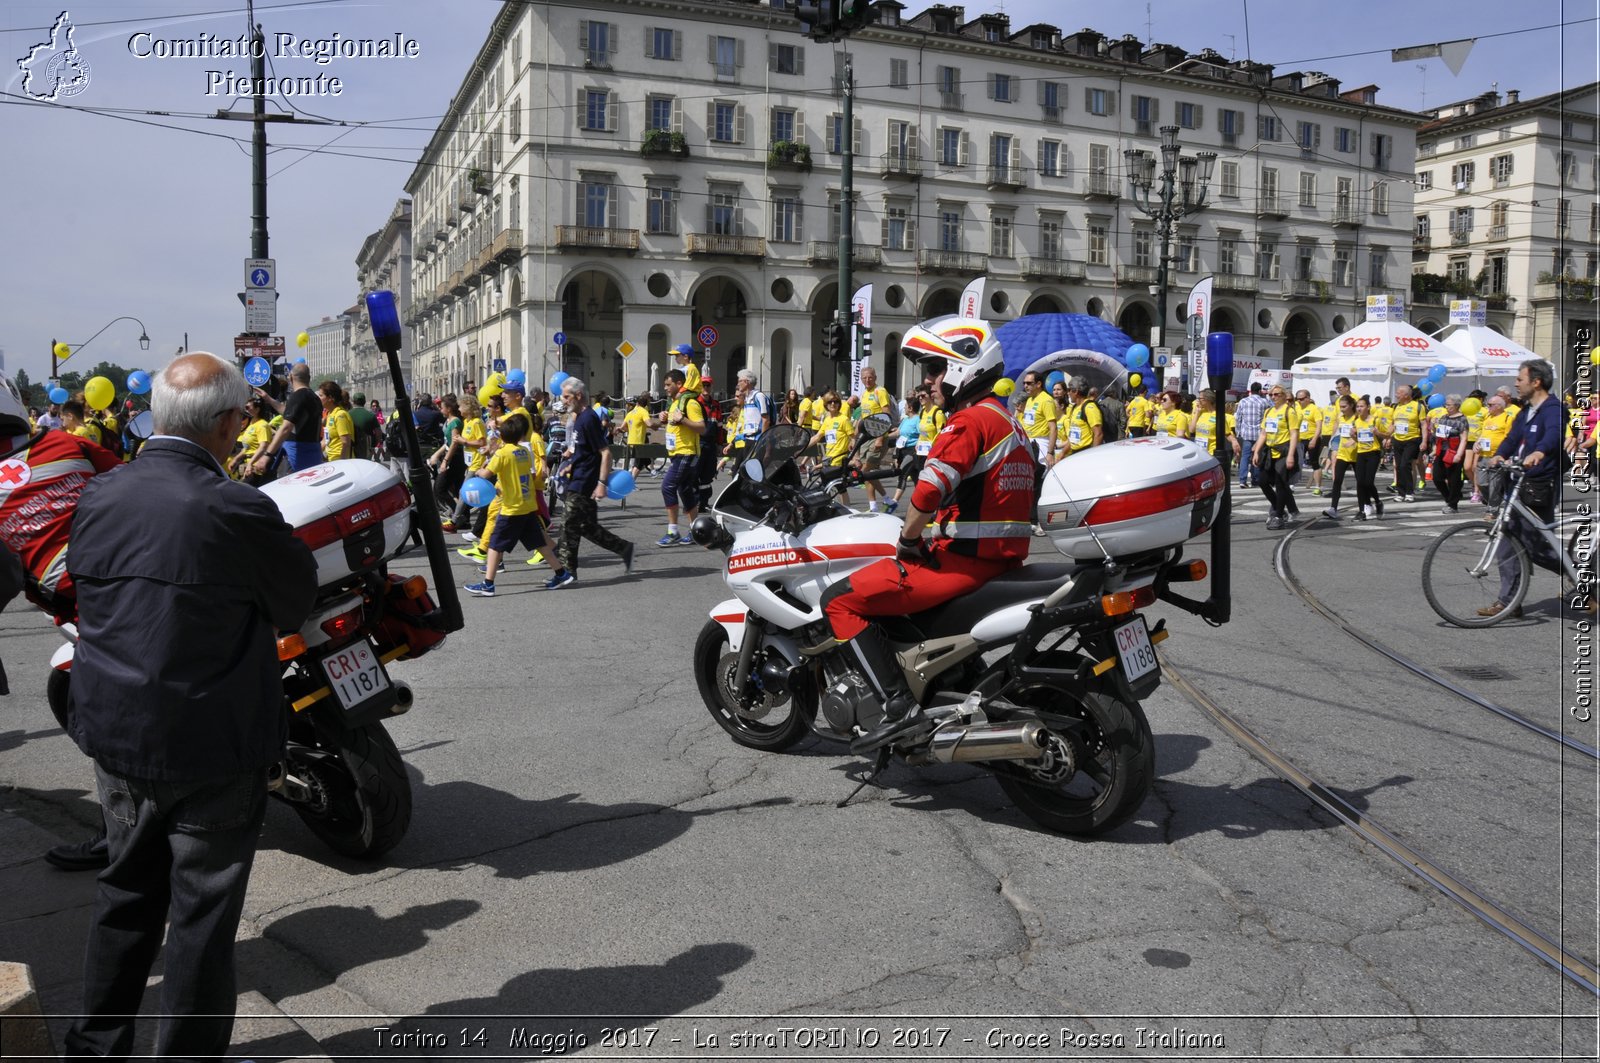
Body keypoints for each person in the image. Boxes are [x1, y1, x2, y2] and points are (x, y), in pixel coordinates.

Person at [62, 352, 316, 1060]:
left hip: (117, 732)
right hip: (212, 742)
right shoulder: (236, 505)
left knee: (125, 897)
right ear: (228, 424)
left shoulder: (101, 494)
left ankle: (95, 1047)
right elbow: (295, 599)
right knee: (201, 919)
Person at [823, 316, 1033, 752]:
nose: (929, 381)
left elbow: (927, 494)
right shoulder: (1009, 422)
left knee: (839, 600)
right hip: (1001, 561)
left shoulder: (969, 422)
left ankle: (897, 707)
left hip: (961, 562)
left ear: (965, 365)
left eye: (936, 369)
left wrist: (909, 540)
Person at [1481, 358, 1565, 617]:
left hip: (1539, 484)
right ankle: (1509, 602)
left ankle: (1586, 583)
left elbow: (1554, 434)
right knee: (1508, 541)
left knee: (1536, 545)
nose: (1516, 384)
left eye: (1520, 379)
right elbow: (1511, 439)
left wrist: (1539, 451)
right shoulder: (1525, 411)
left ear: (1536, 382)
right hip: (1517, 483)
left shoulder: (1553, 409)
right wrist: (1498, 455)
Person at [462, 411, 563, 596]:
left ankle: (488, 584)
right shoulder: (524, 451)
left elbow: (485, 474)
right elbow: (529, 474)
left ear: (501, 435)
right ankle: (561, 573)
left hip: (511, 509)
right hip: (527, 505)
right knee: (540, 544)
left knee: (494, 545)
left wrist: (479, 469)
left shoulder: (502, 454)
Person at [554, 377, 634, 584]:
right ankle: (623, 547)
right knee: (586, 527)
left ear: (578, 396)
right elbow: (585, 451)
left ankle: (566, 572)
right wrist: (571, 465)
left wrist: (601, 484)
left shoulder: (588, 418)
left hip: (585, 481)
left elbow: (605, 452)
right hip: (578, 475)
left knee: (568, 524)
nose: (563, 401)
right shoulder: (579, 418)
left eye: (566, 396)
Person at [657, 369, 706, 546]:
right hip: (676, 453)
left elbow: (701, 428)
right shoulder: (674, 402)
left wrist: (683, 419)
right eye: (665, 385)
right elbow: (671, 425)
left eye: (668, 384)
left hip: (687, 452)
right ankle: (695, 531)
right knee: (684, 490)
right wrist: (663, 419)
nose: (665, 388)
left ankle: (673, 532)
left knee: (667, 486)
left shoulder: (690, 403)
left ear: (679, 384)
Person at [249, 362, 322, 476]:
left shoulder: (298, 396)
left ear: (290, 377)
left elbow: (286, 428)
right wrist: (269, 399)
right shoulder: (314, 397)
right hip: (314, 455)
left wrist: (267, 455)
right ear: (309, 378)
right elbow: (291, 414)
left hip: (297, 457)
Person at [1251, 383, 1300, 529]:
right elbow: (1264, 433)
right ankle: (1280, 508)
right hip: (1270, 452)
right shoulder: (1269, 412)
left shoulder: (1289, 411)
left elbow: (1294, 434)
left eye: (1277, 394)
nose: (1273, 397)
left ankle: (1278, 515)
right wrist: (1257, 451)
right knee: (1262, 481)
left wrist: (1291, 455)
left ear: (1284, 396)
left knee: (1280, 483)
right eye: (1271, 394)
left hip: (1284, 451)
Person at [850, 366, 896, 512]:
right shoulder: (864, 394)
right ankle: (874, 506)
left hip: (877, 436)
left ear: (875, 377)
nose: (867, 380)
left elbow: (886, 414)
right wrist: (854, 438)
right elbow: (862, 419)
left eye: (870, 377)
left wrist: (880, 438)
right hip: (866, 437)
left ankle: (888, 499)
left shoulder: (880, 391)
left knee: (865, 470)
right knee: (868, 474)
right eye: (864, 378)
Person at [809, 390, 855, 504]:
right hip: (829, 459)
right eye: (830, 402)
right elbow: (818, 436)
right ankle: (837, 510)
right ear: (826, 405)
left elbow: (853, 438)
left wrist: (855, 457)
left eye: (835, 402)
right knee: (833, 488)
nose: (833, 404)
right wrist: (802, 447)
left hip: (839, 460)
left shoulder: (843, 419)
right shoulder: (827, 420)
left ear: (839, 404)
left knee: (838, 488)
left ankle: (846, 511)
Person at [1474, 393, 1516, 516]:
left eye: (1490, 405)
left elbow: (1510, 439)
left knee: (1494, 484)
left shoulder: (1507, 419)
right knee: (1482, 483)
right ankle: (1492, 502)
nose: (1488, 407)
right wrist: (1477, 443)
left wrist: (1507, 456)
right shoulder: (1488, 417)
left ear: (1499, 406)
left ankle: (1492, 509)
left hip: (1496, 456)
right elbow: (1482, 434)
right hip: (1483, 455)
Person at [1322, 395, 1359, 520]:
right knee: (1337, 480)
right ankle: (1333, 508)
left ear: (1351, 406)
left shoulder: (1357, 418)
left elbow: (1365, 435)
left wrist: (1354, 442)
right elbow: (1336, 433)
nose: (1342, 409)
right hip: (1342, 454)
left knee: (1363, 483)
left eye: (1344, 407)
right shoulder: (1340, 418)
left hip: (1357, 454)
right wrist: (1331, 446)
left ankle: (1367, 505)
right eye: (1340, 407)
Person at [1431, 394, 1469, 513]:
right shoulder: (1443, 417)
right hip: (1441, 450)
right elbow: (1437, 435)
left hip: (1454, 450)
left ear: (1457, 405)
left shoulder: (1462, 419)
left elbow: (1464, 438)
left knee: (1454, 479)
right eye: (1446, 404)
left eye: (1449, 405)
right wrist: (1433, 425)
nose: (1446, 407)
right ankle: (1450, 497)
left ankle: (1453, 505)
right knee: (1437, 477)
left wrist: (1459, 454)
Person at [1387, 384, 1425, 502]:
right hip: (1398, 440)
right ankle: (1401, 492)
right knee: (1398, 466)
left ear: (1406, 395)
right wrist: (1387, 437)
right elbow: (1393, 424)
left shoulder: (1418, 406)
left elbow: (1424, 425)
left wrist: (1424, 441)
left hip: (1412, 440)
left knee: (1405, 465)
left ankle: (1409, 492)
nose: (1396, 395)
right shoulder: (1396, 407)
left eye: (1398, 392)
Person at [1351, 397, 1385, 520]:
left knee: (1368, 482)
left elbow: (1386, 435)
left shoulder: (1375, 420)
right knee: (1360, 483)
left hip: (1373, 453)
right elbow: (1358, 439)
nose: (1359, 408)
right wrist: (1353, 436)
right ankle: (1361, 511)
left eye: (1362, 406)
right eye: (1357, 406)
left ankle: (1378, 502)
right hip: (1361, 453)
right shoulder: (1356, 421)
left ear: (1368, 407)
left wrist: (1378, 433)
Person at [1016, 371, 1058, 466]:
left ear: (1039, 384)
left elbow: (1053, 428)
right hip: (1029, 442)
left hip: (1042, 443)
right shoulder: (1029, 399)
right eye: (1024, 383)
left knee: (1040, 476)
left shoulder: (1046, 400)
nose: (1026, 386)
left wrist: (1050, 453)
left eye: (1029, 383)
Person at [1234, 383, 1270, 489]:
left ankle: (1242, 480)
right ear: (1259, 391)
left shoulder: (1243, 401)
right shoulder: (1264, 402)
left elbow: (1238, 418)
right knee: (1257, 456)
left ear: (1250, 391)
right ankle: (1255, 479)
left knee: (1245, 457)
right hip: (1260, 434)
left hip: (1247, 433)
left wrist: (1238, 432)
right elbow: (1268, 416)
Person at [1058, 377, 1103, 458]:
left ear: (1076, 391)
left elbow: (1098, 434)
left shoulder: (1089, 407)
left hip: (1086, 453)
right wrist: (1062, 453)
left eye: (1069, 390)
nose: (1068, 393)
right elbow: (1072, 438)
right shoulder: (1074, 408)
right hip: (1074, 453)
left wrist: (1093, 456)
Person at [1191, 388, 1237, 460]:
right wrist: (1197, 412)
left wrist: (1234, 442)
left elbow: (1227, 433)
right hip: (1199, 452)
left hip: (1211, 453)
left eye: (1200, 398)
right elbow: (1191, 430)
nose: (1198, 400)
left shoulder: (1218, 415)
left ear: (1208, 399)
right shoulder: (1200, 413)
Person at [319, 381, 355, 461]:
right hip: (331, 460)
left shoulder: (340, 415)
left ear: (330, 398)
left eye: (321, 395)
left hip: (340, 462)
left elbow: (345, 443)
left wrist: (342, 462)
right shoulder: (330, 414)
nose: (319, 398)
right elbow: (325, 440)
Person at [348, 391, 380, 460]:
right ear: (364, 402)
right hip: (367, 447)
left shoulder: (347, 414)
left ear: (353, 402)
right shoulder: (371, 415)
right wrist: (374, 444)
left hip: (351, 447)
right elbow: (378, 433)